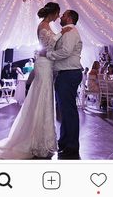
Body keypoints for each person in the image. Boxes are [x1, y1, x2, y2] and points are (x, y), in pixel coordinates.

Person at [0, 2, 70, 159]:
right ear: (52, 13)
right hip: (44, 65)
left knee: (43, 98)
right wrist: (61, 37)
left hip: (45, 64)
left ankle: (42, 138)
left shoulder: (46, 26)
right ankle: (37, 140)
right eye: (58, 13)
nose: (59, 16)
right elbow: (47, 48)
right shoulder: (44, 26)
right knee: (43, 97)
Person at [42, 9, 83, 158]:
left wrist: (47, 54)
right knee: (65, 111)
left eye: (64, 15)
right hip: (65, 74)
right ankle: (64, 142)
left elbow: (66, 51)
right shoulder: (66, 32)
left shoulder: (71, 32)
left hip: (69, 74)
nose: (61, 17)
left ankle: (72, 146)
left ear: (70, 18)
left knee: (69, 111)